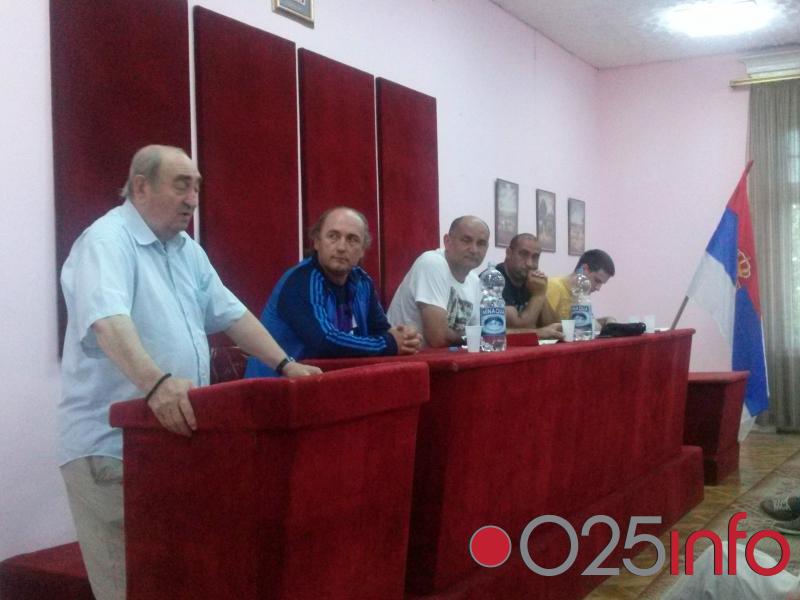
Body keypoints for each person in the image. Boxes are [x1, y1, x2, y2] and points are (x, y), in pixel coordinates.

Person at [58, 145, 320, 600]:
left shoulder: (185, 250)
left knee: (174, 579)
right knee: (129, 585)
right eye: (182, 186)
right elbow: (107, 321)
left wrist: (286, 365)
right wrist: (157, 384)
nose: (193, 200)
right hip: (112, 448)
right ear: (141, 186)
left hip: (171, 439)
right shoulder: (106, 241)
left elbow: (232, 313)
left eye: (197, 187)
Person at [245, 207, 421, 377]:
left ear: (362, 250)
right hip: (274, 387)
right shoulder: (301, 281)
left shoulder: (362, 282)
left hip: (325, 382)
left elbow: (381, 330)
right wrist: (389, 343)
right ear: (316, 242)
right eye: (333, 236)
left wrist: (406, 339)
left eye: (352, 239)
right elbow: (324, 341)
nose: (341, 247)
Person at [387, 215, 489, 347]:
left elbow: (480, 334)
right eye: (466, 240)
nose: (474, 249)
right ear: (447, 241)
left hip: (446, 356)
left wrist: (475, 337)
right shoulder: (432, 263)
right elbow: (438, 337)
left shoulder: (474, 280)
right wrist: (472, 337)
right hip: (405, 357)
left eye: (481, 243)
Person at [493, 233, 563, 339]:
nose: (529, 263)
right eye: (523, 254)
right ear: (508, 253)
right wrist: (538, 295)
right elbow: (517, 328)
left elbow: (554, 326)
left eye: (535, 257)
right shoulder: (494, 280)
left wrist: (542, 293)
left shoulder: (532, 281)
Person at [544, 249, 616, 322]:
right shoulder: (553, 287)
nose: (598, 288)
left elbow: (582, 325)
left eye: (602, 284)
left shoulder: (581, 295)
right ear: (585, 269)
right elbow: (545, 325)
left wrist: (605, 321)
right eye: (597, 280)